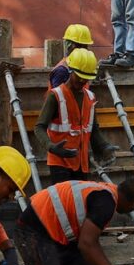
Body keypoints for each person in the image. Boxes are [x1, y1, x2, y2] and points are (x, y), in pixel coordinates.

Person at [34, 49, 116, 182]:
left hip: (82, 163)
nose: (82, 81)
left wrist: (104, 146)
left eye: (86, 79)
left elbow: (93, 129)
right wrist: (51, 146)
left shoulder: (90, 97)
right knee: (63, 201)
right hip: (59, 163)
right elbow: (39, 127)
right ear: (70, 71)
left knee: (80, 201)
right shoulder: (55, 96)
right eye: (79, 77)